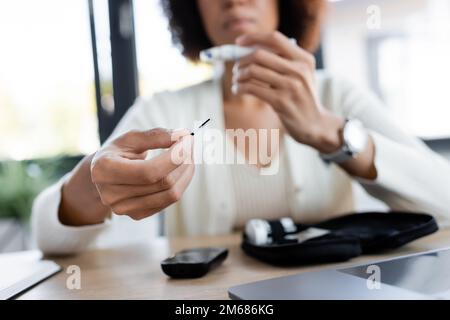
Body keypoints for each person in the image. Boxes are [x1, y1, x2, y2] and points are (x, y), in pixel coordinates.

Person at [32, 0, 450, 254]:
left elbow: (444, 198)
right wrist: (91, 185)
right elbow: (47, 236)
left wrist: (331, 132)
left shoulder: (336, 95)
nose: (232, 1)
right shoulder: (164, 110)